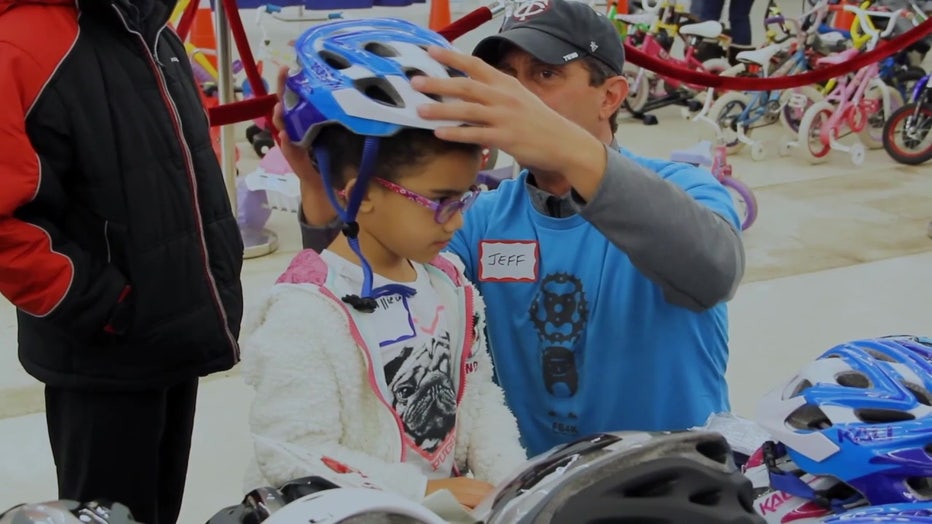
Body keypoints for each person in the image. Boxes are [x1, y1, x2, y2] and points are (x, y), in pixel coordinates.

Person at [286, 0, 745, 457]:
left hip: (679, 487)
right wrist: (322, 192)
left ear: (610, 96)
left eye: (545, 74)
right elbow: (370, 303)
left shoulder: (685, 188)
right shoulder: (478, 217)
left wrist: (567, 146)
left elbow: (714, 269)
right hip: (534, 490)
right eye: (506, 77)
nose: (516, 95)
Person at [241, 18, 525, 510]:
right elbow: (292, 450)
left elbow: (477, 401)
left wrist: (516, 483)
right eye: (441, 201)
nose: (456, 222)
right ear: (361, 194)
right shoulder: (305, 311)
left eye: (466, 198)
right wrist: (423, 491)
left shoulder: (452, 285)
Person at [0, 0, 244, 521]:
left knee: (157, 510)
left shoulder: (146, 21)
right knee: (108, 515)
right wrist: (104, 305)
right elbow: (6, 222)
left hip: (171, 329)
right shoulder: (24, 42)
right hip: (103, 353)